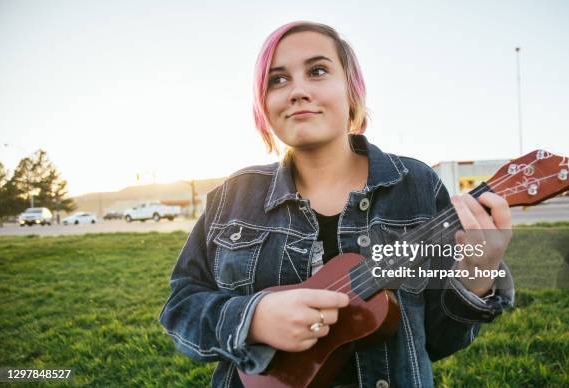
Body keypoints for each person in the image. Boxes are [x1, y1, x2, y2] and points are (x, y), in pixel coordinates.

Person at [158, 21, 515, 388]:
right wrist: (254, 318)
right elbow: (180, 309)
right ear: (263, 102)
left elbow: (440, 340)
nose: (297, 91)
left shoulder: (417, 184)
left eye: (317, 71)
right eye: (277, 79)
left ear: (351, 89)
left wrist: (477, 276)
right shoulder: (234, 194)